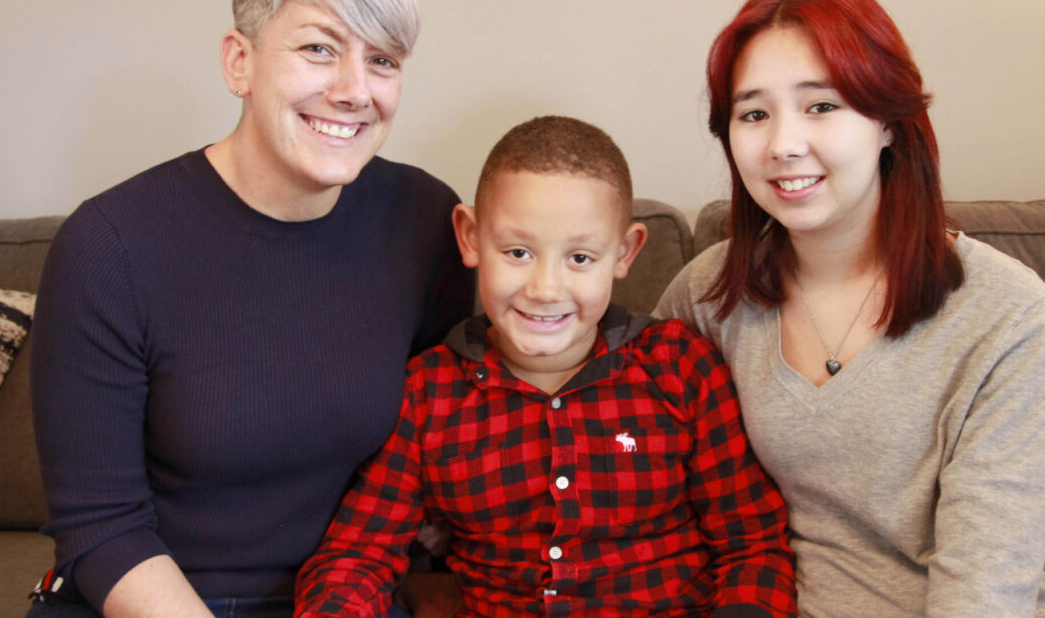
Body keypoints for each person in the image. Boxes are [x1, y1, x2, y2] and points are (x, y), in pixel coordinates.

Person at [24, 0, 474, 616]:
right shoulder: (110, 245)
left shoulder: (421, 221)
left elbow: (467, 426)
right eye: (319, 49)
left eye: (383, 60)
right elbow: (100, 527)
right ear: (240, 62)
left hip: (347, 596)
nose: (354, 90)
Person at [653, 0, 1045, 616]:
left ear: (887, 121)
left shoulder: (1006, 311)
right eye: (753, 114)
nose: (783, 143)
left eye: (822, 106)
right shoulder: (707, 298)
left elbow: (985, 585)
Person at [293, 116, 798, 618]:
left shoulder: (680, 369)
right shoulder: (429, 393)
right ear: (470, 238)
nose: (545, 289)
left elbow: (752, 547)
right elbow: (359, 555)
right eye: (517, 252)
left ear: (624, 253)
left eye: (580, 258)